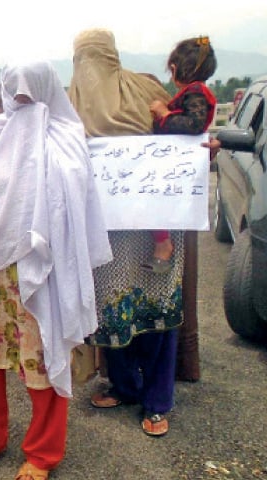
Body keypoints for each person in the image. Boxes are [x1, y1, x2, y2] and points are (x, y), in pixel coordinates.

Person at [0, 61, 112, 477]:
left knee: (44, 362)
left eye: (28, 95)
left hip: (44, 273)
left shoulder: (67, 141)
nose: (22, 104)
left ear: (46, 91)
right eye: (14, 96)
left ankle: (42, 452)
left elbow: (80, 205)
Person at [68, 28, 186, 438]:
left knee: (156, 311)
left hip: (155, 230)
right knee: (112, 312)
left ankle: (156, 401)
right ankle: (124, 385)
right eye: (81, 61)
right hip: (105, 234)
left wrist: (204, 147)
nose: (88, 71)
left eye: (93, 59)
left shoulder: (146, 90)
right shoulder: (68, 103)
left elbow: (180, 141)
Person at [143, 36, 218, 274]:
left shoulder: (196, 92)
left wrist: (163, 114)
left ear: (174, 69)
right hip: (179, 162)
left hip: (178, 166)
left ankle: (163, 246)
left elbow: (194, 124)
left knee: (157, 204)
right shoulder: (197, 92)